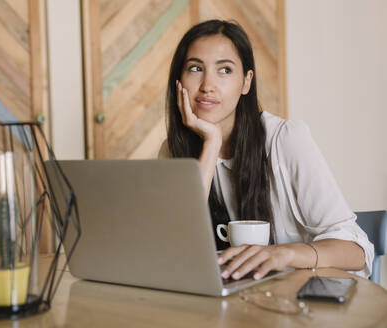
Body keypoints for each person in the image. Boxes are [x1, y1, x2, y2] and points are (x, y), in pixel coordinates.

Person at [158, 19, 373, 280]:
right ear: (178, 81)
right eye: (195, 68)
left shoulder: (286, 139)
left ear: (246, 82)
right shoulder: (173, 151)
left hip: (299, 305)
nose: (207, 85)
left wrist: (285, 254)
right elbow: (173, 247)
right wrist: (211, 143)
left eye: (225, 70)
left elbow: (357, 250)